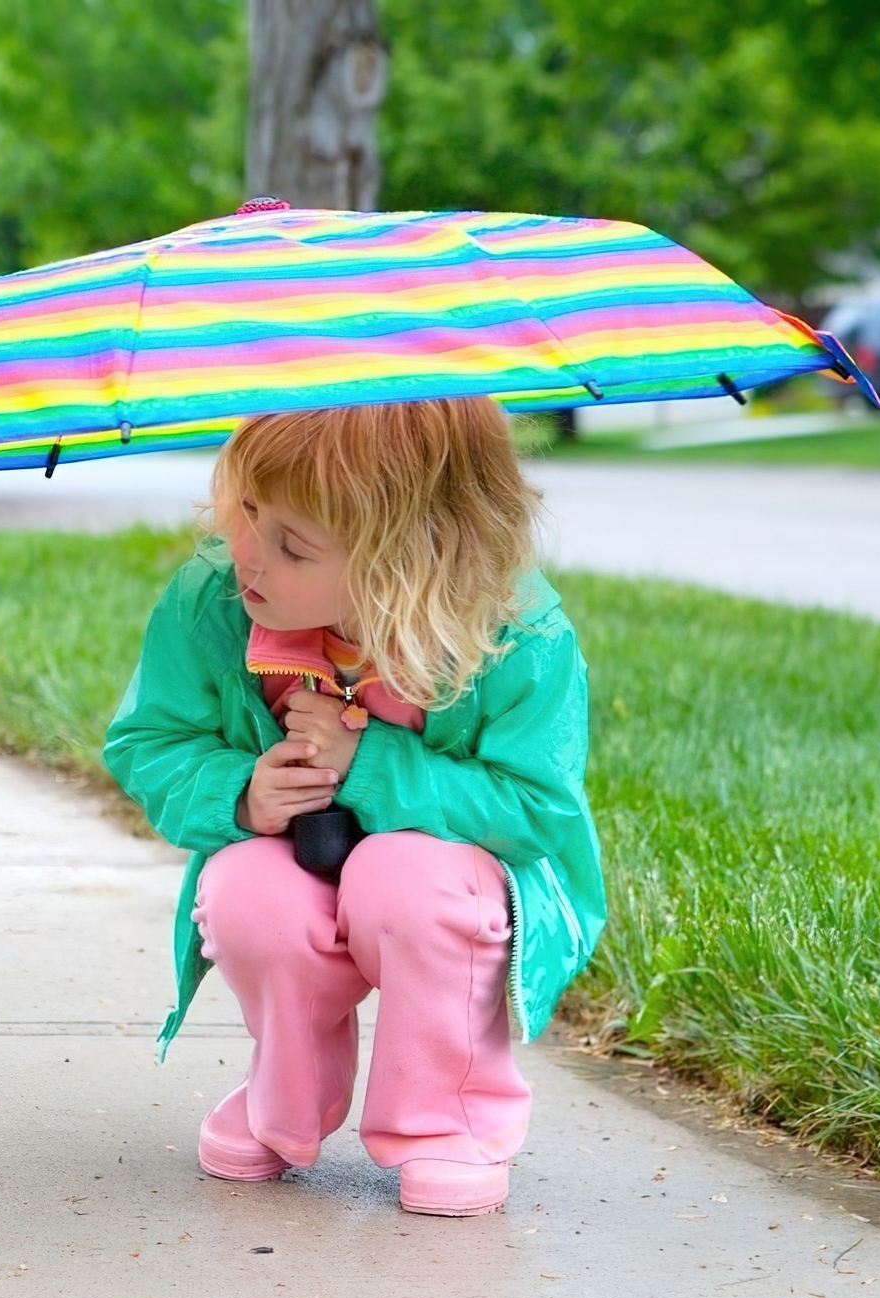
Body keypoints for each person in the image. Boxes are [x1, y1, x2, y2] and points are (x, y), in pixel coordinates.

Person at [102, 398, 604, 1217]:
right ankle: (286, 1097)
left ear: (410, 558)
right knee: (247, 896)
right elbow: (149, 739)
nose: (247, 556)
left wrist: (370, 763)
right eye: (249, 512)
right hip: (295, 855)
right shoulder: (216, 600)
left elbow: (537, 808)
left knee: (405, 881)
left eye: (292, 545)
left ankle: (446, 1119)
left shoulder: (517, 634)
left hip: (449, 879)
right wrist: (241, 789)